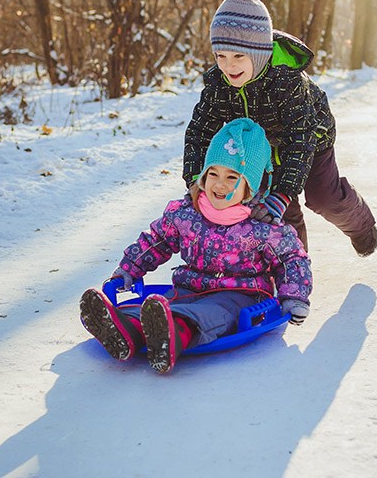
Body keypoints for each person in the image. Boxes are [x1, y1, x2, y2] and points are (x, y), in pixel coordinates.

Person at [80, 118, 311, 374]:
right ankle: (126, 330)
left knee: (210, 313)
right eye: (213, 174)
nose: (220, 184)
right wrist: (128, 270)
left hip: (240, 295)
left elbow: (292, 259)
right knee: (162, 306)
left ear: (250, 186)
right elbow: (155, 241)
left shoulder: (263, 227)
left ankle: (172, 337)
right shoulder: (187, 214)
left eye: (232, 177)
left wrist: (293, 297)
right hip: (188, 288)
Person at [183, 0, 377, 256]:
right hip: (257, 148)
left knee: (323, 198)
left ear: (259, 52)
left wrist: (285, 192)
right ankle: (291, 270)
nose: (228, 65)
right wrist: (195, 179)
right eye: (220, 56)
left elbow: (301, 139)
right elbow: (200, 131)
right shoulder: (218, 84)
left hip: (310, 139)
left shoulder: (286, 81)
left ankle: (362, 227)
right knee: (274, 211)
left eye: (238, 56)